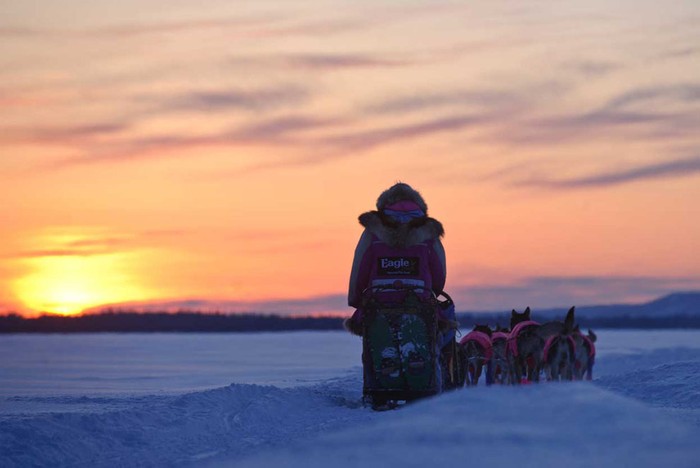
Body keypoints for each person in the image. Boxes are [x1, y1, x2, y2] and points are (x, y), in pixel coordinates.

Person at [345, 182, 452, 336]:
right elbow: (439, 274)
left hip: (378, 306)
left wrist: (355, 299)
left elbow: (360, 268)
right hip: (420, 306)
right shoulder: (429, 232)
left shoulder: (372, 231)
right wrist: (431, 291)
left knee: (375, 350)